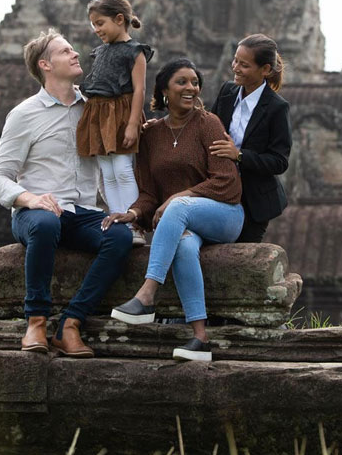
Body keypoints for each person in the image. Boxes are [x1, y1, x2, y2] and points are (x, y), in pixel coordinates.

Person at [0, 29, 133, 356]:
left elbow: (123, 149)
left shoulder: (93, 107)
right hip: (35, 214)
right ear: (45, 65)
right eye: (65, 51)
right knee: (46, 223)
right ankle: (36, 321)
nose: (75, 54)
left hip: (82, 214)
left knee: (120, 237)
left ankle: (71, 323)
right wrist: (30, 199)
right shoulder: (25, 114)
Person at [102, 58, 244, 362]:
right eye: (182, 82)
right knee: (182, 245)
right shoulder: (151, 135)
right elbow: (150, 193)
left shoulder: (209, 124)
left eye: (195, 82)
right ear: (164, 90)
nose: (191, 87)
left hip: (224, 214)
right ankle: (199, 338)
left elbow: (228, 183)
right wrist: (133, 213)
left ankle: (147, 294)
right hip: (180, 221)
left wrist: (180, 196)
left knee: (178, 207)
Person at [76, 0, 153, 247]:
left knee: (122, 169)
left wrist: (133, 124)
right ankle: (116, 222)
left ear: (119, 19)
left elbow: (139, 90)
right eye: (94, 24)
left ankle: (133, 223)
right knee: (106, 173)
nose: (96, 29)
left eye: (100, 23)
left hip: (121, 114)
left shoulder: (135, 51)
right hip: (99, 115)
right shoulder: (99, 52)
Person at [209, 34, 292, 242]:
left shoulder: (276, 108)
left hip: (254, 201)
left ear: (265, 70)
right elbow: (208, 129)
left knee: (238, 259)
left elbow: (279, 161)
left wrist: (239, 156)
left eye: (244, 65)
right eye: (235, 60)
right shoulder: (227, 91)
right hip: (220, 189)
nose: (235, 67)